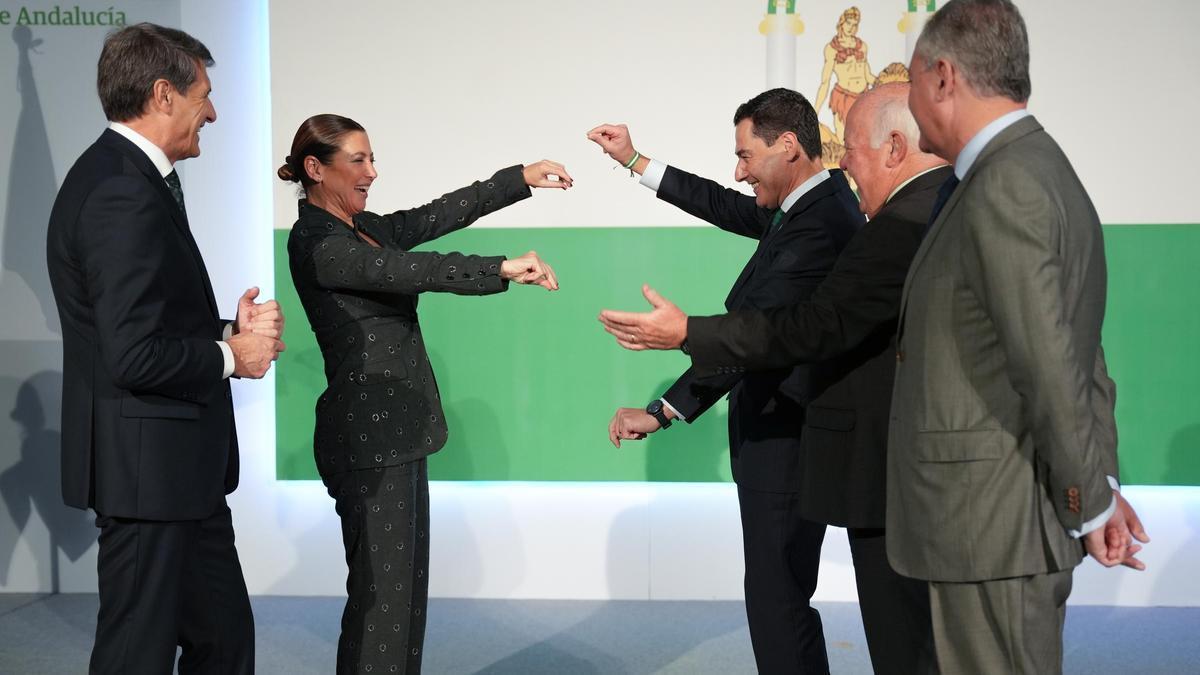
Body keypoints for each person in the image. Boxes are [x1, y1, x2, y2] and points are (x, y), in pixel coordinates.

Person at [596, 83, 946, 674]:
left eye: (744, 157)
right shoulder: (814, 202)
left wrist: (664, 406)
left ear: (786, 146)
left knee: (778, 601)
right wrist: (637, 162)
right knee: (782, 598)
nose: (737, 173)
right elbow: (724, 204)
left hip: (786, 439)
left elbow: (763, 333)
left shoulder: (823, 224)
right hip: (790, 437)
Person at [896, 1, 1146, 671]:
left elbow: (1049, 362)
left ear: (943, 77)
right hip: (1002, 522)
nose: (908, 98)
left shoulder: (1005, 183)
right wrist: (1098, 479)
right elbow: (1078, 349)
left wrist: (1090, 502)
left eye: (911, 78)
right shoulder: (1039, 169)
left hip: (991, 527)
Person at [280, 113, 569, 674]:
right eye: (358, 160)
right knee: (380, 608)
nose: (373, 171)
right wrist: (500, 268)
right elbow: (404, 270)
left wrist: (519, 179)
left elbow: (436, 215)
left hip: (399, 435)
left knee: (402, 606)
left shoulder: (361, 227)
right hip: (367, 441)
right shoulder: (318, 242)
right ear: (315, 169)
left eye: (372, 158)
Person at [46, 23, 284, 674]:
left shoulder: (125, 178)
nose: (212, 111)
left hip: (177, 475)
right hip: (150, 477)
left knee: (223, 641)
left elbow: (141, 320)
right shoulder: (121, 191)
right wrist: (234, 355)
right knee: (136, 655)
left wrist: (220, 329)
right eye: (203, 94)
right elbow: (132, 354)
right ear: (163, 94)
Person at [813, 6, 876, 143]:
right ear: (841, 22)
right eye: (848, 23)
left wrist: (890, 86)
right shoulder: (831, 48)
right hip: (844, 97)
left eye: (855, 25)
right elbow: (825, 81)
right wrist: (814, 112)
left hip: (863, 98)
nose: (851, 28)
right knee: (844, 141)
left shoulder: (862, 46)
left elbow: (868, 75)